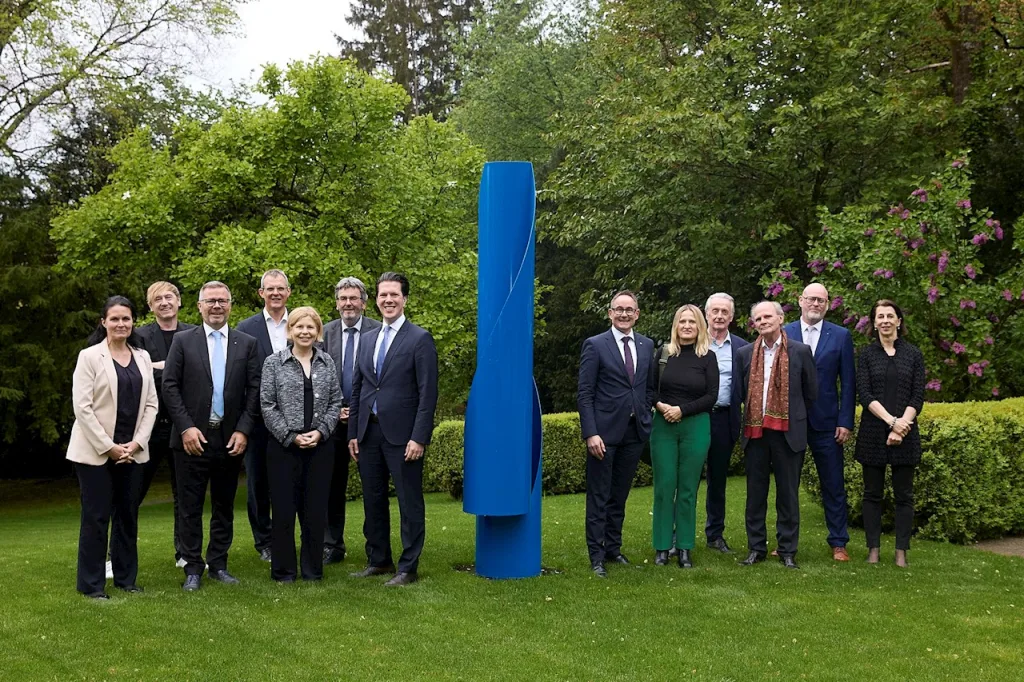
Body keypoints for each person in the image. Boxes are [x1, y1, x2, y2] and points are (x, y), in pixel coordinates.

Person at [162, 281, 261, 591]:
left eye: (222, 301)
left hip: (229, 439)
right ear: (199, 306)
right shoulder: (182, 341)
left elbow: (255, 390)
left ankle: (218, 563)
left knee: (223, 505)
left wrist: (244, 430)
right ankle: (192, 567)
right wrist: (186, 427)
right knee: (189, 506)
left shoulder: (247, 343)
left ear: (230, 305)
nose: (217, 306)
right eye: (211, 301)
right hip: (191, 439)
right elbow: (169, 386)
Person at [348, 273, 438, 586]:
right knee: (373, 500)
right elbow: (359, 389)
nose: (388, 300)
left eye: (394, 295)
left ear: (405, 299)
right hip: (368, 434)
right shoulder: (368, 337)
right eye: (383, 295)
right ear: (375, 300)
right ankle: (379, 560)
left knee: (409, 502)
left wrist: (419, 436)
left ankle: (407, 567)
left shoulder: (419, 339)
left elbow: (428, 394)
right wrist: (353, 433)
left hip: (404, 437)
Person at [67, 296, 158, 599]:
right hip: (95, 453)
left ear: (133, 323)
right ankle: (91, 586)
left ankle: (126, 580)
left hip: (132, 452)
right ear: (103, 322)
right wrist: (109, 447)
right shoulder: (90, 357)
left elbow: (151, 404)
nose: (121, 324)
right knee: (96, 517)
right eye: (115, 319)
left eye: (126, 319)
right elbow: (83, 408)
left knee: (128, 516)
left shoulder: (142, 357)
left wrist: (136, 443)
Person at [260, 307, 344, 582]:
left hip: (320, 447)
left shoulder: (327, 362)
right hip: (284, 447)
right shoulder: (274, 363)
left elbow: (335, 402)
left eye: (310, 327)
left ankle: (312, 570)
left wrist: (320, 432)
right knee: (284, 510)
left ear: (318, 332)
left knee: (315, 510)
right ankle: (284, 571)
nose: (305, 332)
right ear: (290, 330)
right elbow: (267, 405)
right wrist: (290, 436)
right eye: (299, 327)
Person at [577, 290, 656, 577]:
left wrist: (644, 412)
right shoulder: (595, 345)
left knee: (619, 496)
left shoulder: (647, 346)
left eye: (629, 309)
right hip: (603, 435)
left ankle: (613, 548)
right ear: (610, 313)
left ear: (637, 314)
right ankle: (596, 556)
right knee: (599, 496)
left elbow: (647, 388)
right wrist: (591, 433)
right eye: (618, 309)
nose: (624, 314)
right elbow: (585, 394)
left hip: (634, 433)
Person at [735, 301, 817, 569]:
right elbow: (739, 393)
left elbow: (810, 393)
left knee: (788, 495)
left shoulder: (800, 351)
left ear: (781, 318)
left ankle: (787, 550)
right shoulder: (745, 354)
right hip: (756, 432)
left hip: (788, 433)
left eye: (767, 316)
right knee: (755, 495)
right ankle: (755, 548)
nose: (762, 321)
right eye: (757, 318)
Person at [783, 283, 855, 561]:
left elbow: (848, 383)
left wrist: (845, 421)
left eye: (822, 300)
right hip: (791, 421)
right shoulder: (784, 332)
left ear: (828, 305)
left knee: (833, 484)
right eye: (811, 299)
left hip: (828, 424)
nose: (816, 304)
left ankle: (838, 542)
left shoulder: (840, 336)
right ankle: (785, 541)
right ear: (800, 301)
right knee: (788, 485)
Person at [854, 300, 925, 568]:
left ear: (899, 321)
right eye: (880, 316)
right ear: (874, 323)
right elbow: (865, 394)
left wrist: (902, 425)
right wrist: (891, 422)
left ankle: (901, 551)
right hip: (874, 432)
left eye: (890, 316)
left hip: (906, 434)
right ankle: (873, 549)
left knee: (904, 495)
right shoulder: (866, 355)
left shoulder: (914, 355)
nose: (885, 320)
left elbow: (917, 395)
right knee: (872, 494)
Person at [650, 305, 719, 568]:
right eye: (682, 321)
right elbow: (649, 390)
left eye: (692, 321)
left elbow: (712, 396)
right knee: (665, 487)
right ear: (676, 326)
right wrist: (662, 407)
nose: (687, 326)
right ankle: (662, 547)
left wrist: (682, 410)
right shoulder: (663, 354)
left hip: (696, 426)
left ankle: (685, 546)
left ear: (700, 326)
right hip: (664, 426)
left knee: (688, 490)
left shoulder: (708, 358)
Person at [135, 281, 195, 568]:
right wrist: (168, 368)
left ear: (179, 301)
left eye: (169, 297)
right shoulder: (139, 336)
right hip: (148, 427)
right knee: (131, 493)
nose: (164, 302)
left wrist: (158, 366)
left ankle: (184, 554)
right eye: (157, 299)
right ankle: (115, 555)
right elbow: (137, 373)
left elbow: (198, 378)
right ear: (150, 306)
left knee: (184, 495)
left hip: (183, 425)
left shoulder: (194, 334)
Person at [321, 276, 380, 565]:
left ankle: (376, 548)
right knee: (331, 486)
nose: (348, 303)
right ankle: (332, 545)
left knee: (373, 485)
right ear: (336, 303)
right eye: (343, 299)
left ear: (364, 303)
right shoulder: (324, 333)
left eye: (353, 298)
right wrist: (337, 410)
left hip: (368, 421)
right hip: (331, 422)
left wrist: (356, 412)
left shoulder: (379, 331)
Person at [236, 269, 292, 562]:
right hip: (258, 419)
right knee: (258, 484)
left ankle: (291, 536)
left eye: (280, 288)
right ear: (261, 293)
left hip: (296, 419)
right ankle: (264, 542)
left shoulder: (301, 323)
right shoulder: (245, 328)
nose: (275, 293)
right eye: (269, 289)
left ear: (288, 293)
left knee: (291, 482)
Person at [703, 293, 750, 554]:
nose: (719, 316)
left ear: (731, 317)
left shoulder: (742, 348)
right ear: (706, 314)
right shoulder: (695, 342)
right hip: (695, 419)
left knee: (718, 480)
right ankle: (677, 537)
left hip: (724, 419)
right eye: (715, 311)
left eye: (725, 312)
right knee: (684, 479)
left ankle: (715, 535)